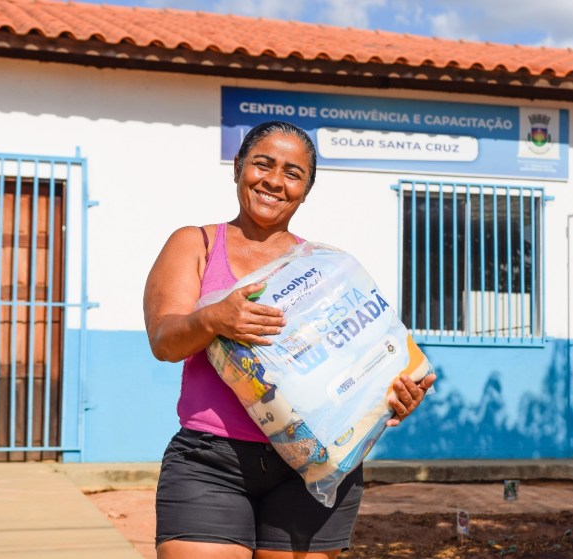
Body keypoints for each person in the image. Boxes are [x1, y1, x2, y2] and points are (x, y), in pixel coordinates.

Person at [143, 120, 437, 559]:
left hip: (317, 462)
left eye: (292, 173)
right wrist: (214, 319)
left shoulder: (323, 265)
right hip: (212, 463)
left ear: (305, 190)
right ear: (238, 167)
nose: (274, 181)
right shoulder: (196, 244)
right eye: (263, 164)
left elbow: (361, 356)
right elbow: (164, 341)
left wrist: (393, 393)